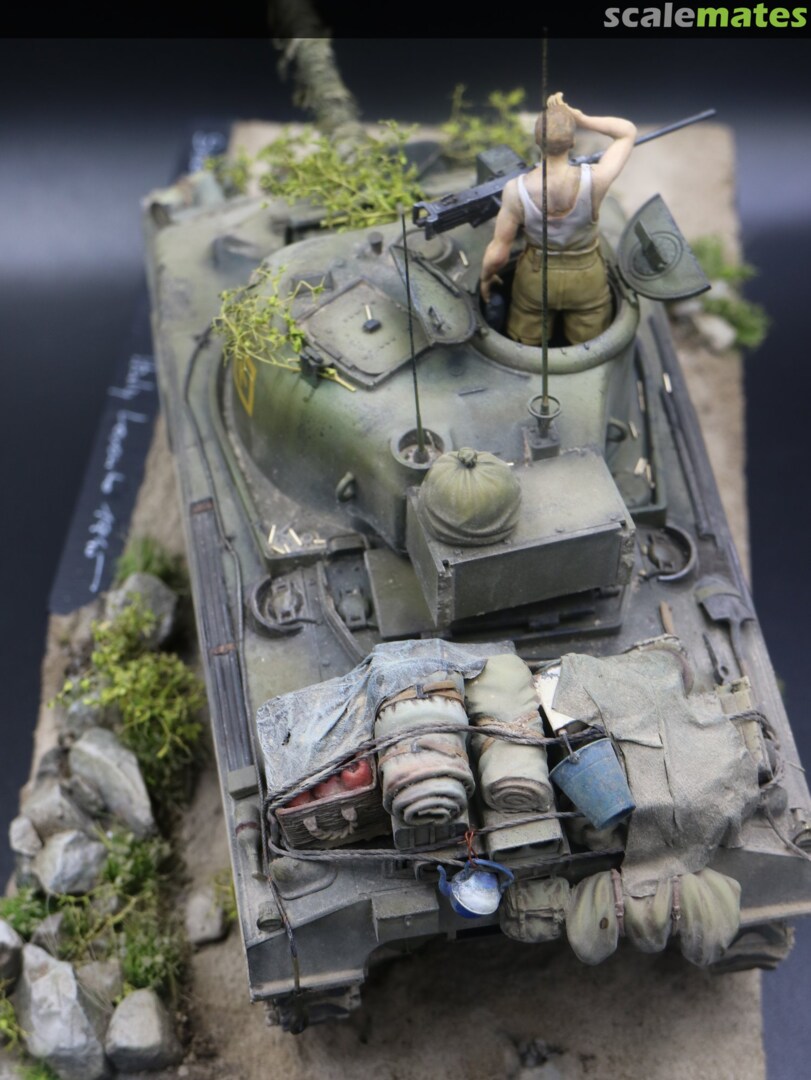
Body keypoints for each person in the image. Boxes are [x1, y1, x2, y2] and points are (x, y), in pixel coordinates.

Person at [480, 93, 637, 346]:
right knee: (590, 345)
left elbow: (499, 251)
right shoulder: (597, 179)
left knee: (525, 342)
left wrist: (487, 278)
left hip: (535, 279)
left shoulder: (515, 190)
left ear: (537, 141)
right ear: (572, 142)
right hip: (587, 278)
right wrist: (580, 118)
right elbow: (627, 131)